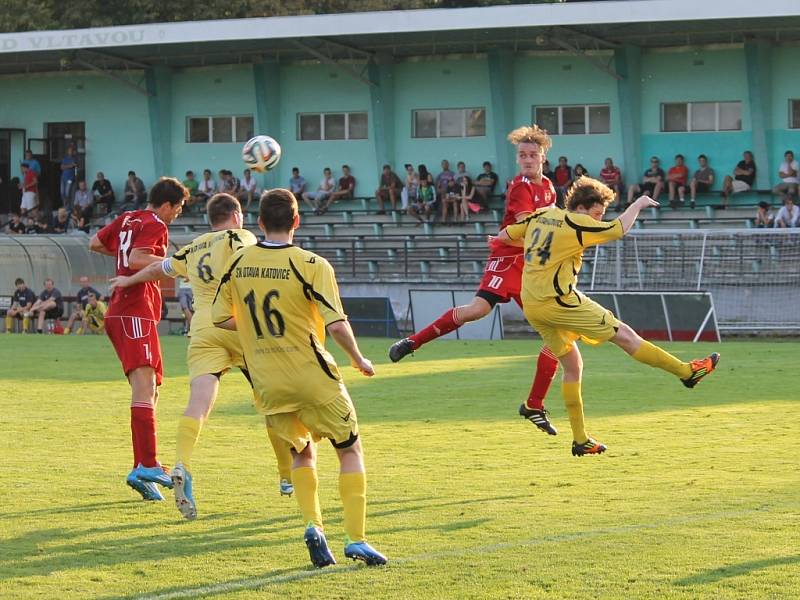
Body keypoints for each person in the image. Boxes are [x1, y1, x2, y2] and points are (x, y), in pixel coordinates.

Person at [212, 188, 387, 567]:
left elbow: (220, 318)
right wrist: (359, 358)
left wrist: (258, 336)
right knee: (349, 449)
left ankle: (313, 525)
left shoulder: (239, 261)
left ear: (259, 223)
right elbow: (336, 324)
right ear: (296, 221)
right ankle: (355, 539)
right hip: (311, 374)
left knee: (300, 451)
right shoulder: (312, 263)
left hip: (267, 381)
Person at [495, 177, 720, 455]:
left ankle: (580, 440)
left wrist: (514, 246)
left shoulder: (542, 214)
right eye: (597, 214)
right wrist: (638, 203)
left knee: (573, 366)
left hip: (532, 303)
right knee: (624, 335)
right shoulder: (577, 222)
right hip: (559, 301)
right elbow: (619, 229)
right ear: (580, 207)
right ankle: (687, 372)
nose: (599, 220)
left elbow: (506, 236)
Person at [107, 193, 295, 519]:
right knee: (272, 401)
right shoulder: (242, 237)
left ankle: (181, 463)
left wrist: (128, 279)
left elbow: (159, 269)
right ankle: (286, 476)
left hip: (203, 329)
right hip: (240, 324)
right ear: (236, 215)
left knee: (199, 401)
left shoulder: (193, 247)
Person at [390, 124, 561, 435]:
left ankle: (534, 405)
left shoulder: (548, 186)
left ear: (543, 157)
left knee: (556, 336)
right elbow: (527, 223)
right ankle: (412, 342)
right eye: (522, 154)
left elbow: (546, 226)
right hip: (509, 259)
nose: (526, 159)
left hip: (533, 266)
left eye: (532, 154)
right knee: (476, 311)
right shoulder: (520, 186)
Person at [89, 177, 187, 501]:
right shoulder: (156, 223)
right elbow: (135, 260)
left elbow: (95, 243)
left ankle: (139, 470)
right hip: (134, 310)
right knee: (144, 385)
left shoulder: (128, 218)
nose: (177, 214)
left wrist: (125, 256)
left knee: (151, 387)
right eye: (178, 208)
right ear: (166, 205)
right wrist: (175, 265)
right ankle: (148, 462)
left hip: (127, 312)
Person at [60, 146, 78, 212]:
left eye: (71, 150)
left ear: (73, 152)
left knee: (67, 193)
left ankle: (67, 207)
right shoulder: (65, 158)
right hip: (63, 178)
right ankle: (65, 205)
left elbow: (74, 165)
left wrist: (66, 166)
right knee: (62, 193)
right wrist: (70, 166)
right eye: (69, 150)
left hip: (70, 179)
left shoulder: (75, 158)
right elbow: (61, 167)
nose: (70, 152)